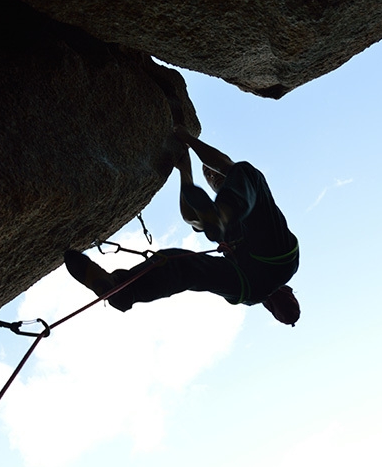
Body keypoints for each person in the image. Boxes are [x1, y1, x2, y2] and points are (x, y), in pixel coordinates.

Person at [64, 127, 300, 325]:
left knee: (248, 175)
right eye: (212, 178)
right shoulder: (218, 222)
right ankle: (124, 290)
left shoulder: (233, 199)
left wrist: (187, 139)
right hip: (253, 284)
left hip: (277, 262)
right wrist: (185, 171)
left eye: (216, 177)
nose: (215, 180)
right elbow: (191, 217)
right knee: (183, 266)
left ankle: (226, 212)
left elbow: (226, 165)